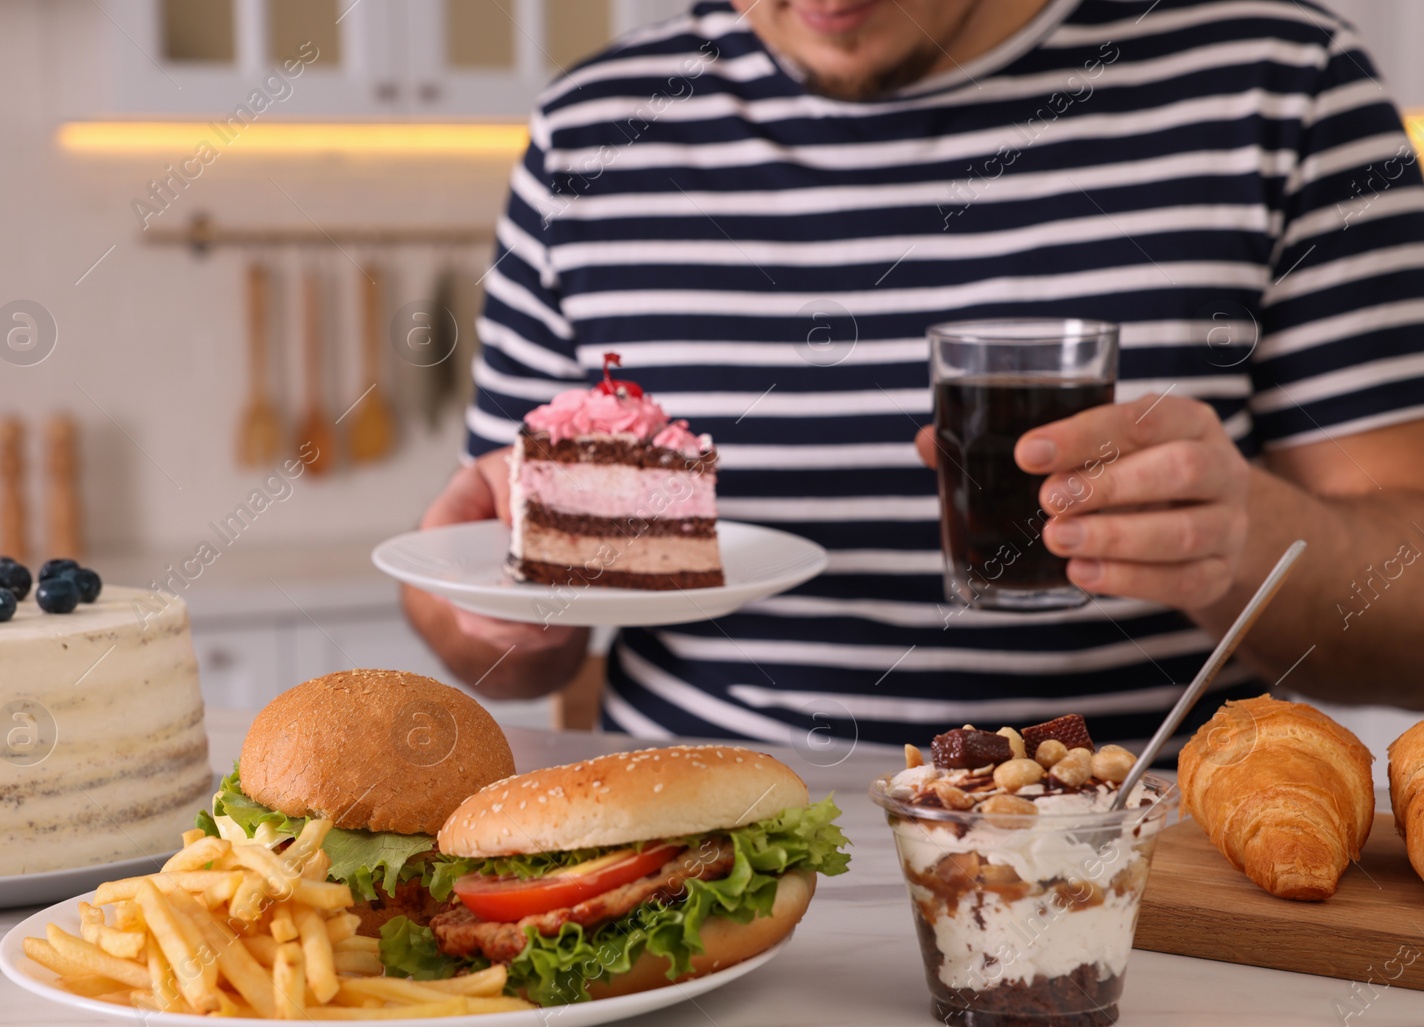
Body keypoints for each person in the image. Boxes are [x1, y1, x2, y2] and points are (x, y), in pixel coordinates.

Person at [404, 0, 1424, 750]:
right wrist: (495, 609)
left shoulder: (1279, 84)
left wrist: (1243, 541)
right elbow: (494, 641)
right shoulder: (592, 130)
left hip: (1143, 874)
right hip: (701, 864)